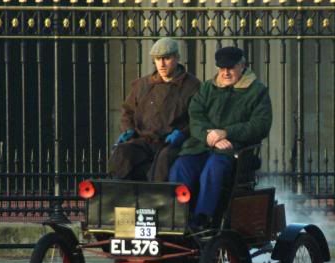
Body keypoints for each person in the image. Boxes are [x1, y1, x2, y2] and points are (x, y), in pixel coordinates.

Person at [169, 46, 273, 229]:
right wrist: (211, 135)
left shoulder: (257, 91)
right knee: (181, 167)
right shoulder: (208, 87)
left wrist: (226, 133)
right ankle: (176, 215)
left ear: (242, 65)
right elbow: (195, 116)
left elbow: (260, 125)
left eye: (230, 68)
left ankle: (203, 218)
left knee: (213, 169)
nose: (225, 73)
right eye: (221, 68)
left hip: (234, 150)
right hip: (201, 145)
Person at [108, 37, 201, 182]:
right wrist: (128, 129)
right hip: (143, 139)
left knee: (163, 163)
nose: (162, 64)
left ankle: (156, 202)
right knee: (122, 153)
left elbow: (197, 119)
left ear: (176, 58)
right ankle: (119, 198)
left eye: (166, 58)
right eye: (158, 59)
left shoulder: (192, 86)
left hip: (170, 143)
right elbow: (128, 110)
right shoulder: (142, 84)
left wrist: (183, 134)